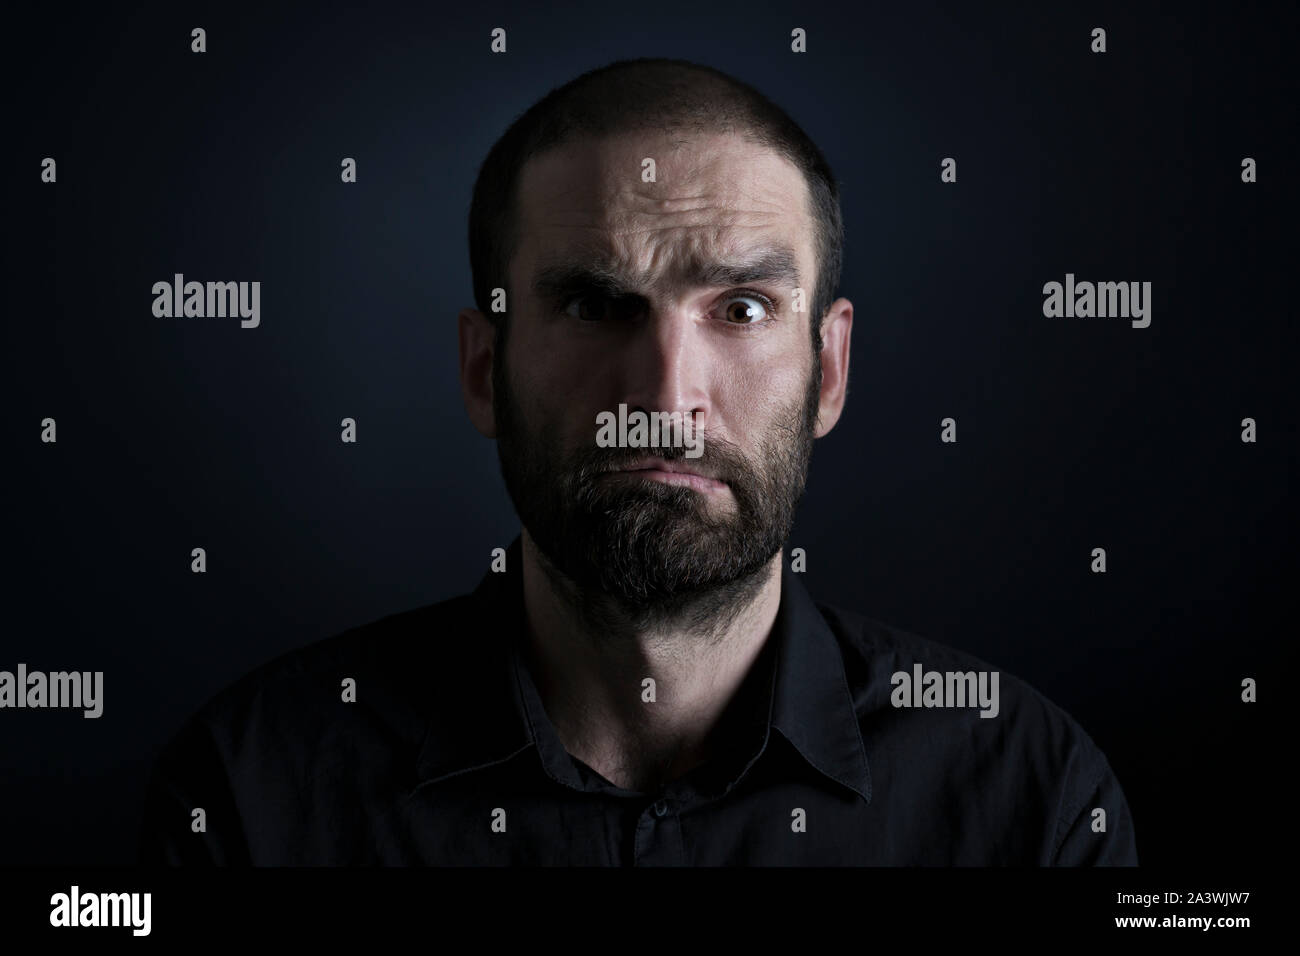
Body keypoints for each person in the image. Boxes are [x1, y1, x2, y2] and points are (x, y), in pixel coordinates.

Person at [139, 57, 1137, 865]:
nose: (665, 399)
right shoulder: (249, 800)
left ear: (828, 370)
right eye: (592, 306)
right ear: (485, 370)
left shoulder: (1028, 797)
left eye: (741, 309)